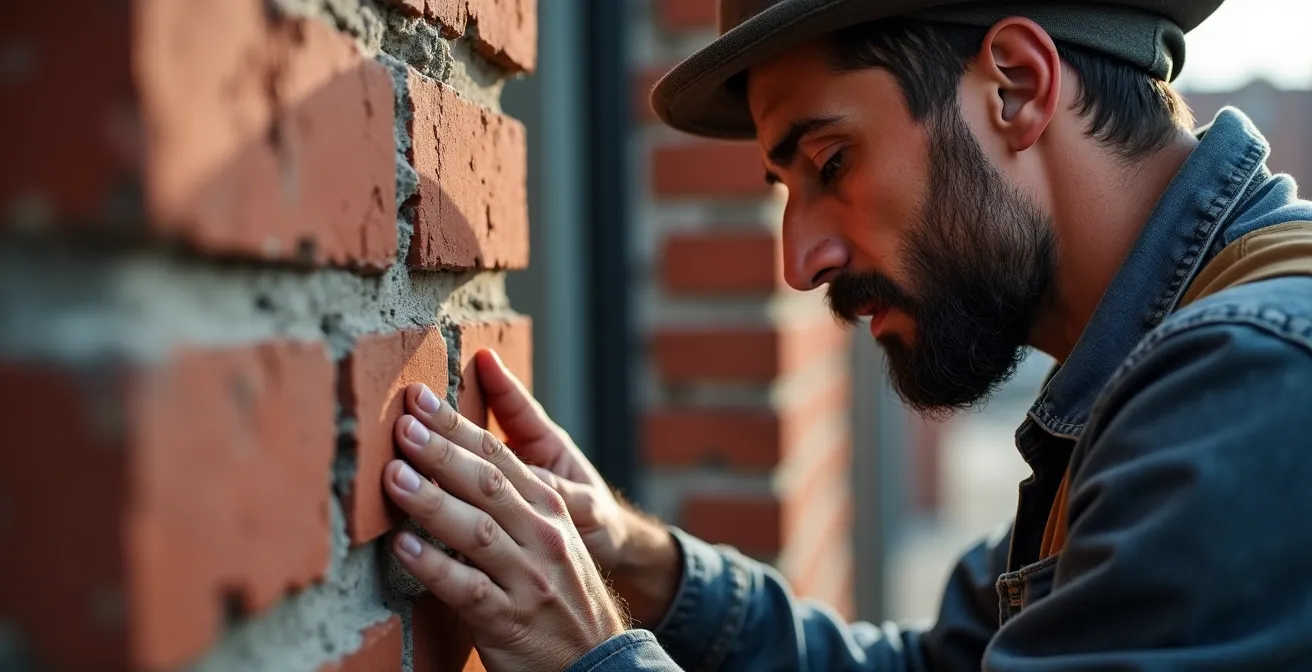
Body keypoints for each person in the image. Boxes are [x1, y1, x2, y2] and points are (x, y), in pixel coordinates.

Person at [378, 0, 1312, 669]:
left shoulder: (1246, 386)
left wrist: (588, 653)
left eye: (832, 161)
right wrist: (635, 560)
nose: (801, 260)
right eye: (789, 190)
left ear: (1016, 89)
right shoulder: (1156, 381)